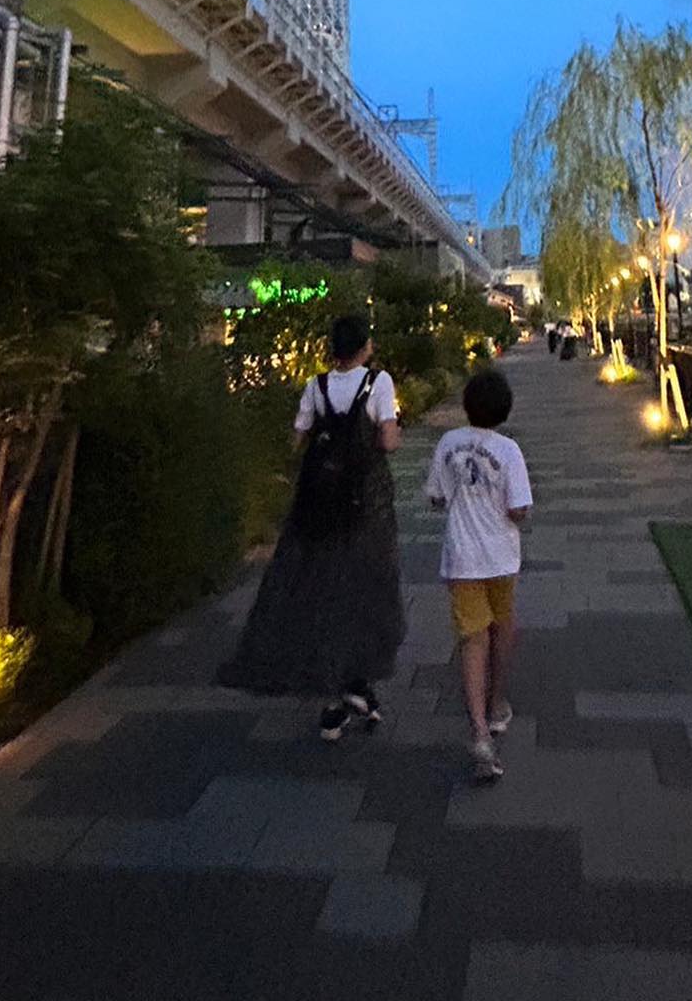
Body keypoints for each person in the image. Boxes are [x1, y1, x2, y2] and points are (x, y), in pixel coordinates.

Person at [218, 314, 406, 741]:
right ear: (363, 347)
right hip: (364, 506)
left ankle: (343, 693)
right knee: (362, 591)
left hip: (318, 504)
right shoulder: (378, 383)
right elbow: (390, 441)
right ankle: (347, 689)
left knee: (322, 589)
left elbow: (298, 437)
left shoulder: (316, 386)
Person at [425, 366, 533, 781]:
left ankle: (479, 731)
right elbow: (518, 509)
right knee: (502, 629)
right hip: (501, 557)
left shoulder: (448, 443)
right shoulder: (508, 451)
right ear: (504, 409)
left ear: (467, 405)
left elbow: (436, 497)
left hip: (462, 558)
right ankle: (497, 702)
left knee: (473, 639)